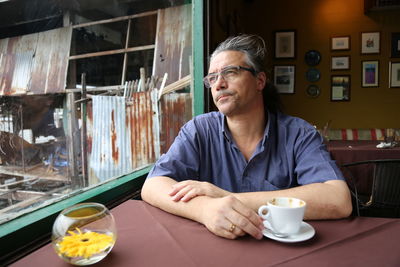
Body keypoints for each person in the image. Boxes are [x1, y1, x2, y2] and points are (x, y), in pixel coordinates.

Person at [141, 34, 352, 240]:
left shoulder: (299, 134)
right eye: (212, 78)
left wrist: (224, 197)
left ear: (260, 81)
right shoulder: (198, 129)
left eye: (230, 72)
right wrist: (204, 209)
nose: (218, 84)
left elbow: (338, 199)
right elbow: (152, 185)